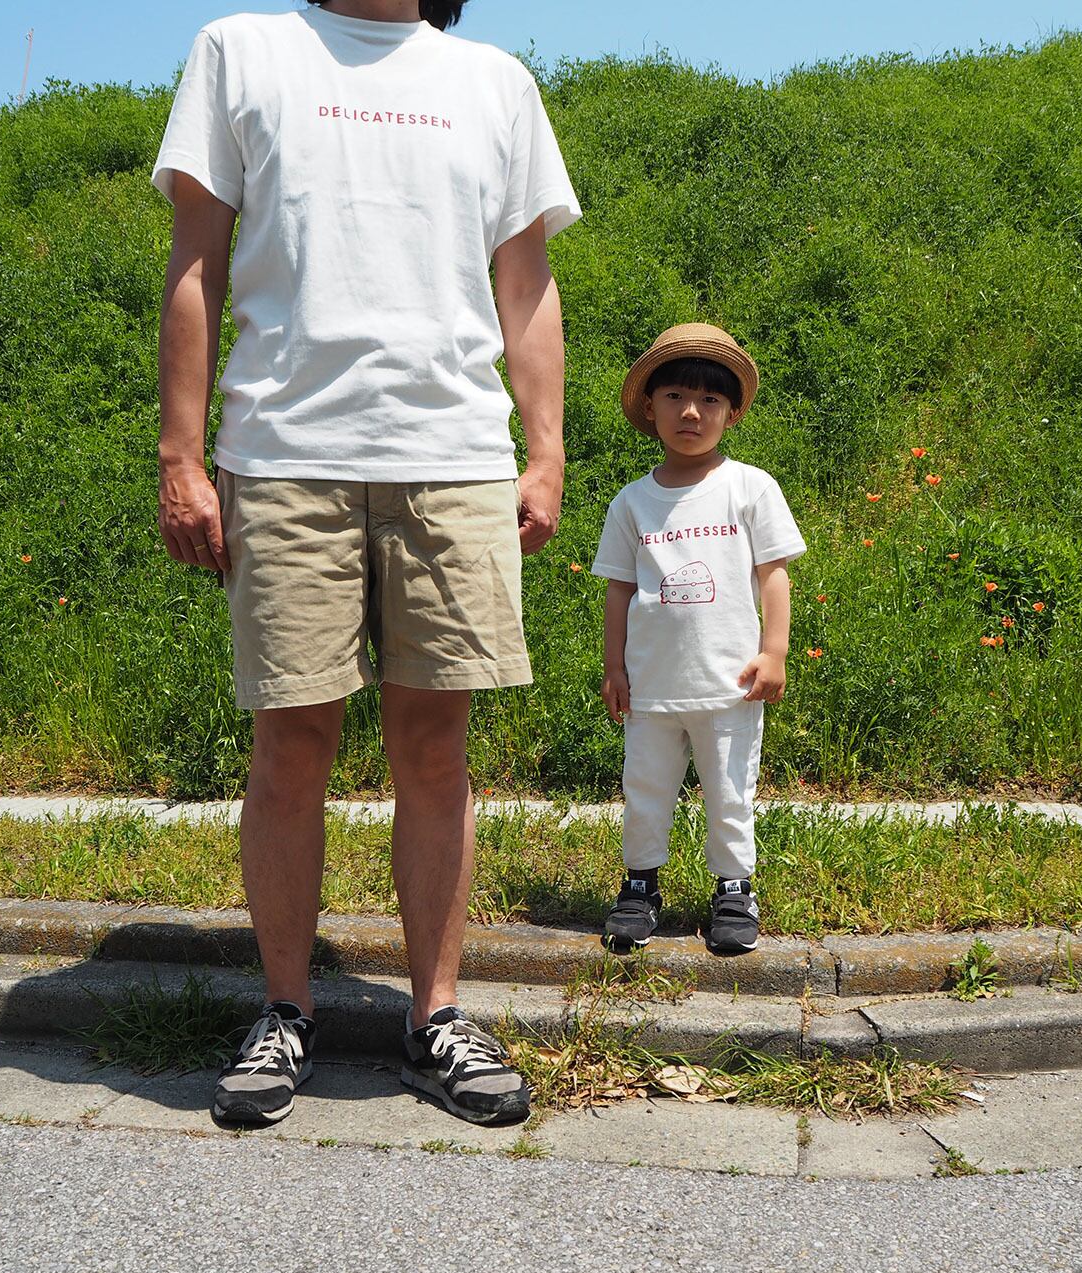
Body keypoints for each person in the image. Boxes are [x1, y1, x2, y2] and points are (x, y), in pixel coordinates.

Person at [153, 0, 580, 1127]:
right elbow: (196, 259)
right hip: (286, 451)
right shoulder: (243, 51)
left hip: (453, 454)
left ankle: (435, 1016)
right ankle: (285, 1009)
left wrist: (545, 451)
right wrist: (181, 456)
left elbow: (526, 281)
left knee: (435, 748)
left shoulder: (494, 81)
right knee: (291, 741)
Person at [591, 324, 805, 953]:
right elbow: (619, 591)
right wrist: (614, 668)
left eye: (710, 400)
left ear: (732, 413)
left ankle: (734, 889)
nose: (691, 412)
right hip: (651, 685)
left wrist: (774, 652)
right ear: (650, 407)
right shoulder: (632, 503)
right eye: (676, 397)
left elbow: (773, 574)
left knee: (730, 790)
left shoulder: (750, 487)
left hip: (730, 683)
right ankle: (639, 886)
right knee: (645, 789)